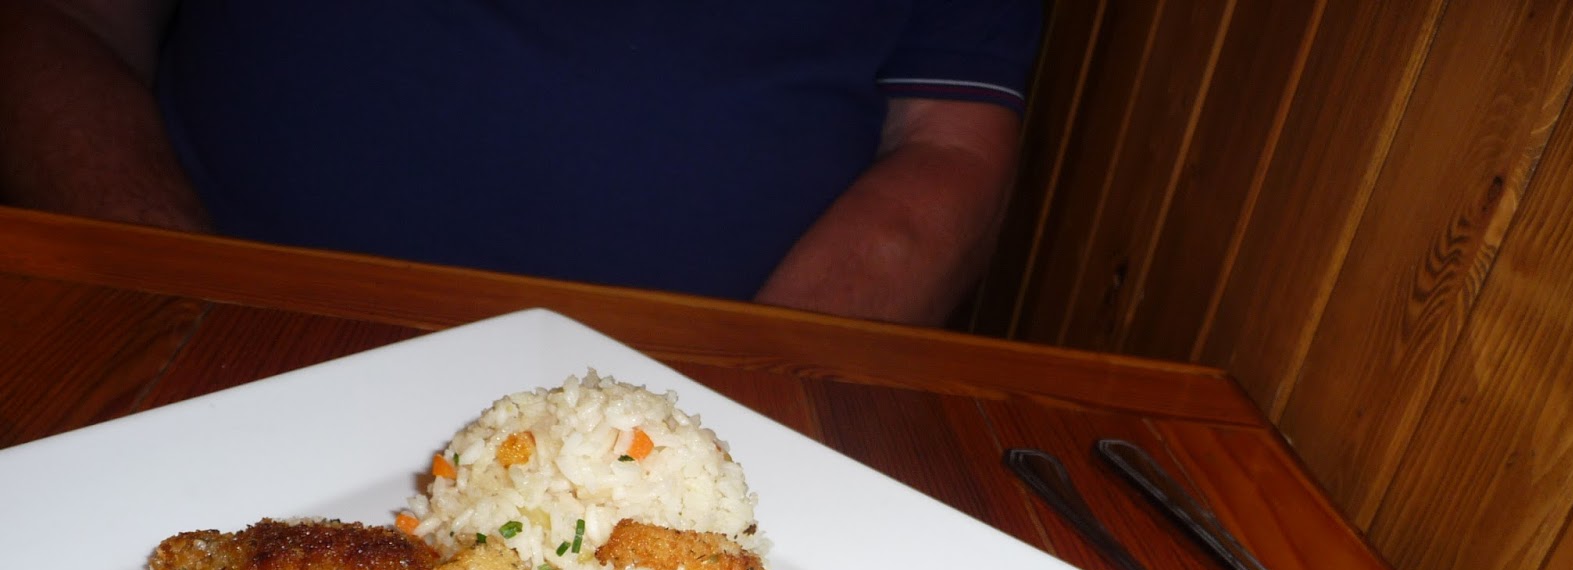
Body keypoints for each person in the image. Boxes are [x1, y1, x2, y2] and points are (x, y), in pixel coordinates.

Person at [0, 1, 1039, 325]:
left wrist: (733, 406)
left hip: (689, 406)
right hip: (201, 325)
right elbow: (55, 21)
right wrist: (176, 292)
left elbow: (947, 148)